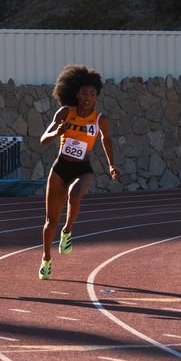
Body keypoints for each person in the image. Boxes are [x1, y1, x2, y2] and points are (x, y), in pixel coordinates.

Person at [38, 65, 120, 280]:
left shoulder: (99, 118)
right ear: (75, 93)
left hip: (83, 167)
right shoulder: (66, 112)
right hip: (60, 167)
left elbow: (106, 140)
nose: (88, 97)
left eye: (92, 94)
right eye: (84, 93)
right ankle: (46, 260)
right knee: (49, 221)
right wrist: (57, 131)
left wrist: (111, 165)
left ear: (96, 97)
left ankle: (67, 232)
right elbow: (43, 139)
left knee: (75, 195)